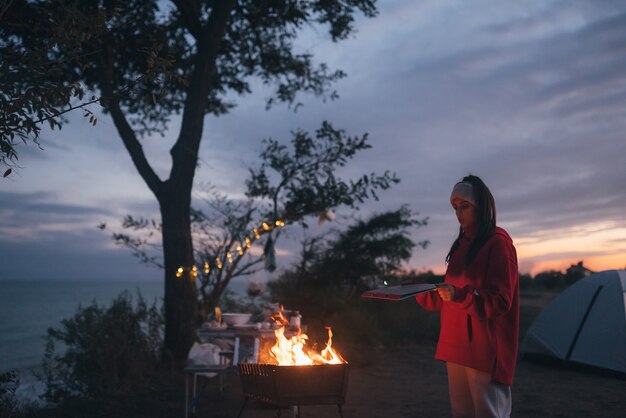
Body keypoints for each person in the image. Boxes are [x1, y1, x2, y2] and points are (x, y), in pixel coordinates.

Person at [416, 174, 519, 418]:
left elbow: (500, 300)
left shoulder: (498, 244)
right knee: (461, 413)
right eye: (455, 208)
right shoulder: (463, 245)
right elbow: (451, 294)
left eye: (464, 207)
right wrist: (418, 290)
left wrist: (460, 295)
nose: (458, 214)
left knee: (488, 414)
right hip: (457, 345)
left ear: (481, 207)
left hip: (484, 349)